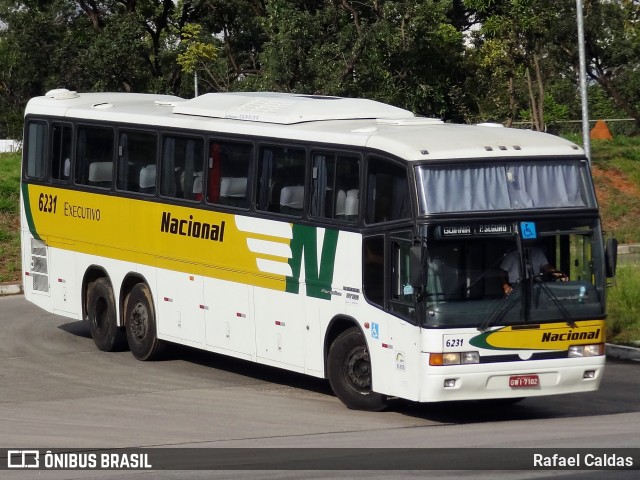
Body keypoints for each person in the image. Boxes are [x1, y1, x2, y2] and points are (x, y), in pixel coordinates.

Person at [500, 246, 567, 295]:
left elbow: (546, 266)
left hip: (536, 285)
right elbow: (502, 271)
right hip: (517, 286)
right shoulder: (512, 254)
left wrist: (557, 273)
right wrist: (505, 286)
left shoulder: (538, 252)